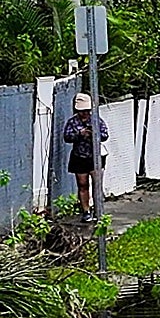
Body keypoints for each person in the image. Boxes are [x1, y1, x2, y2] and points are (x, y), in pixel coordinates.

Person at [63, 92, 108, 223]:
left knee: (97, 184)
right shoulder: (72, 122)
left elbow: (105, 135)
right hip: (79, 156)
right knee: (82, 184)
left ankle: (98, 209)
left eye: (87, 111)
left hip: (95, 156)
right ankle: (85, 210)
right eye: (82, 111)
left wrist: (94, 133)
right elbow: (67, 137)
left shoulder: (96, 120)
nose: (85, 114)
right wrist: (79, 134)